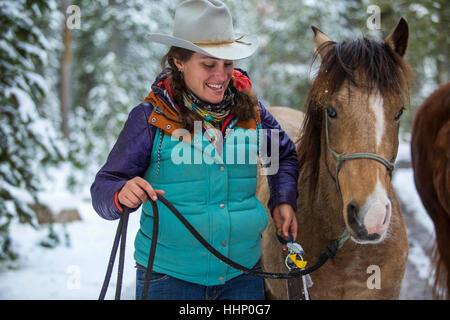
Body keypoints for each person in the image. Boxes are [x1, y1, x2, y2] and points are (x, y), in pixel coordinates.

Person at [91, 0, 299, 300]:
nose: (221, 75)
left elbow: (283, 156)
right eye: (208, 64)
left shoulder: (252, 112)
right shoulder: (151, 117)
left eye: (227, 64)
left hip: (243, 279)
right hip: (169, 281)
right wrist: (120, 192)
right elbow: (104, 186)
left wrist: (283, 199)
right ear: (179, 61)